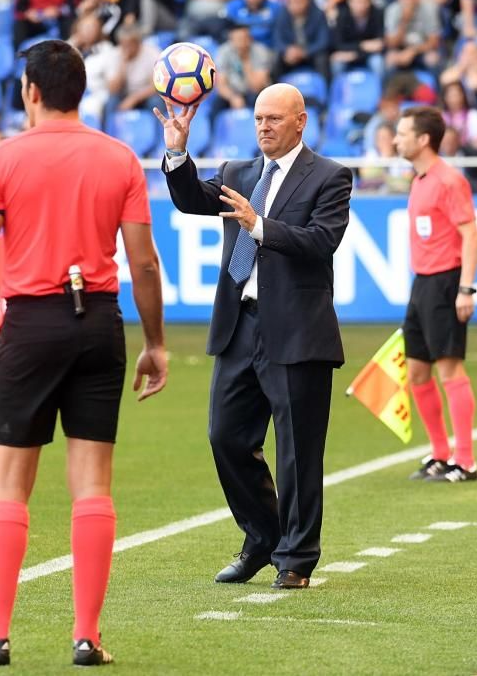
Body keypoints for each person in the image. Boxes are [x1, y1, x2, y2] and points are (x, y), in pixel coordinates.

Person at [0, 39, 167, 667]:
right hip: (99, 322)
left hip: (32, 324)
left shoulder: (2, 159)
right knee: (93, 483)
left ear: (29, 91)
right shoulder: (119, 159)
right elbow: (143, 261)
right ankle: (87, 637)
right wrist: (156, 343)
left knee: (9, 487)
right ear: (81, 91)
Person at [155, 83, 351, 589]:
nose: (264, 127)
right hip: (240, 325)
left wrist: (260, 226)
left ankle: (297, 558)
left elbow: (322, 242)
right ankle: (262, 538)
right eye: (259, 119)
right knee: (226, 437)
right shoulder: (240, 173)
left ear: (300, 121)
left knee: (297, 451)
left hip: (297, 332)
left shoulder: (330, 176)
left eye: (275, 119)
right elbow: (190, 200)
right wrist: (177, 152)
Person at [393, 106, 477, 483]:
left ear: (423, 139)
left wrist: (465, 288)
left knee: (450, 370)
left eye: (402, 133)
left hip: (446, 282)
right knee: (416, 371)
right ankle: (441, 455)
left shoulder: (449, 180)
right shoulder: (419, 179)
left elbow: (471, 234)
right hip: (422, 283)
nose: (396, 139)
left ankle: (465, 461)